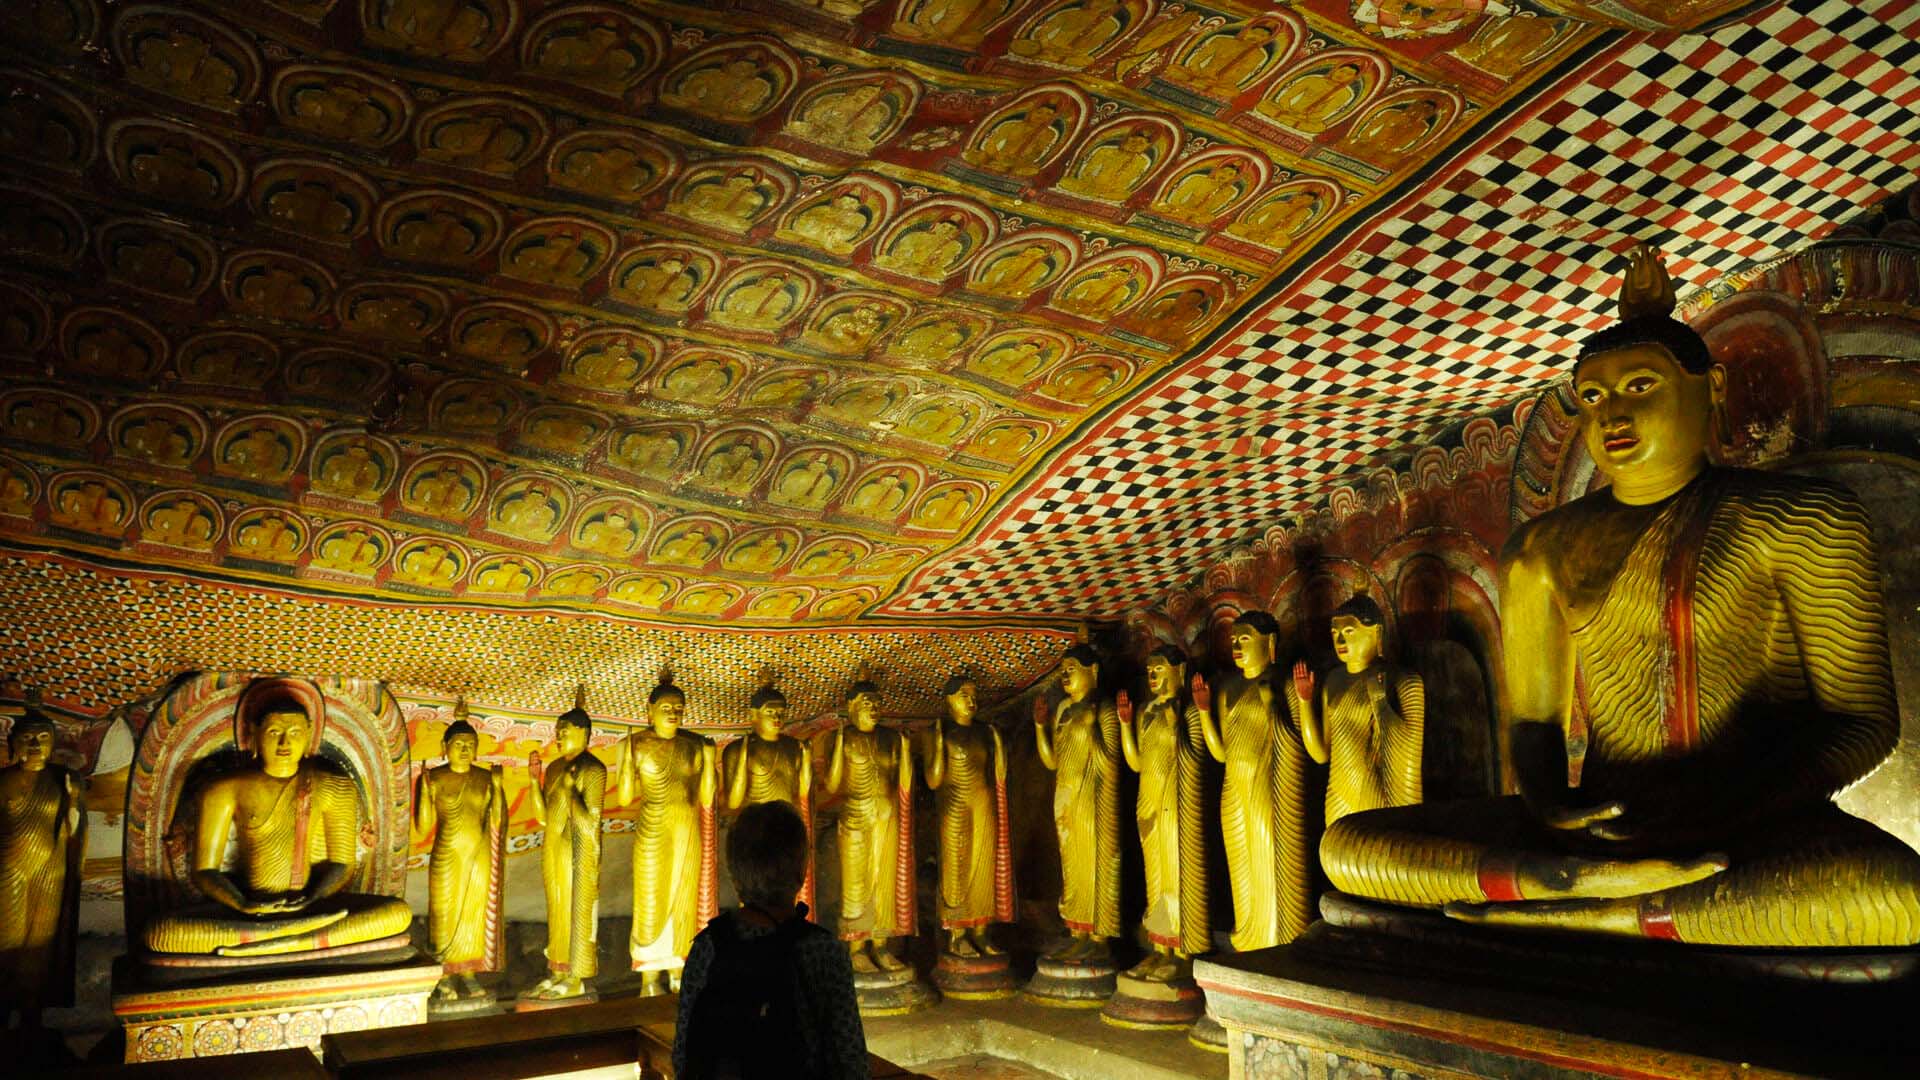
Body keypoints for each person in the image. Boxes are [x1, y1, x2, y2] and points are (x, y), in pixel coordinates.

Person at [674, 800, 867, 1080]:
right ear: (801, 871)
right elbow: (850, 1058)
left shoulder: (708, 946)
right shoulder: (822, 950)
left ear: (733, 871)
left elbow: (684, 1055)